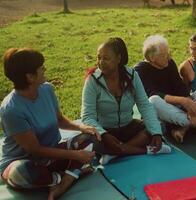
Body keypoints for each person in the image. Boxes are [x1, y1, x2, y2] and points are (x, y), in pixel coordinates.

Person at [0, 48, 100, 200]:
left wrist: (81, 127)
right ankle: (65, 176)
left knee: (90, 137)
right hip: (27, 161)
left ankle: (63, 181)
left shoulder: (47, 89)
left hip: (53, 154)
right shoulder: (11, 110)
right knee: (22, 172)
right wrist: (75, 155)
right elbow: (36, 150)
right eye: (41, 67)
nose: (45, 69)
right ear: (30, 77)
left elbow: (59, 119)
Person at [81, 37, 171, 165]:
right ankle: (145, 150)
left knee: (159, 127)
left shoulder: (132, 76)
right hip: (106, 132)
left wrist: (156, 133)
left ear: (118, 58)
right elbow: (87, 116)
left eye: (106, 58)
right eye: (98, 57)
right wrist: (104, 134)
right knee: (87, 139)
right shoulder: (92, 80)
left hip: (128, 127)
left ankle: (114, 153)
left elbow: (144, 105)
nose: (101, 62)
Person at [134, 35, 196, 143]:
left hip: (177, 109)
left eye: (168, 53)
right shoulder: (140, 70)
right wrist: (182, 101)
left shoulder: (169, 63)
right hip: (160, 111)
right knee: (153, 100)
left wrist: (188, 103)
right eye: (164, 55)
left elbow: (180, 87)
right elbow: (151, 94)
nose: (168, 57)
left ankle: (183, 128)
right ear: (152, 58)